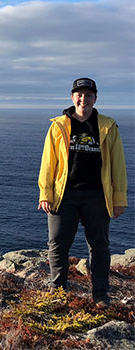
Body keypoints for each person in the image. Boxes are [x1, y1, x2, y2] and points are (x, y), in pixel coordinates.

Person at [38, 77, 128, 307]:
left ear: (95, 98)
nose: (83, 99)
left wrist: (118, 198)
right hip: (63, 195)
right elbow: (48, 163)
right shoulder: (58, 125)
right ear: (72, 97)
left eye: (88, 95)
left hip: (97, 196)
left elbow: (118, 165)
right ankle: (57, 292)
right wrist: (45, 193)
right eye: (79, 94)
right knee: (57, 244)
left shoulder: (108, 126)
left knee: (99, 246)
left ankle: (100, 295)